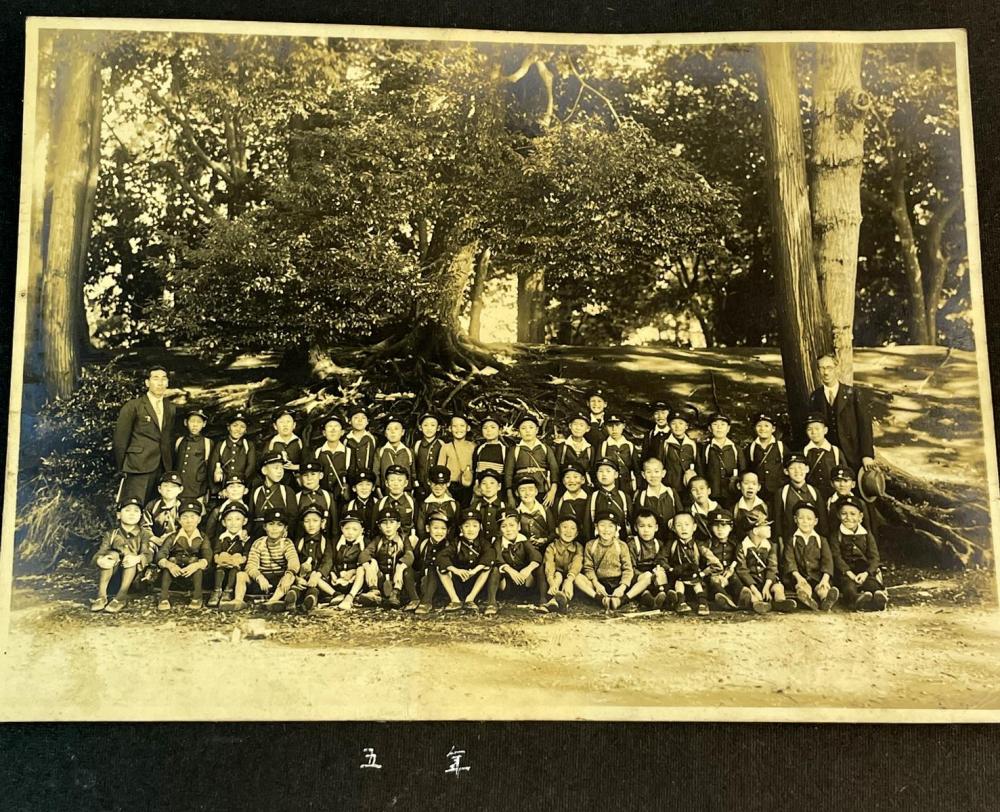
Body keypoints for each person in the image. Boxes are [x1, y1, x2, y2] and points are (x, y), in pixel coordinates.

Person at [112, 364, 177, 505]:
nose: (160, 383)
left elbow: (169, 438)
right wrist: (122, 467)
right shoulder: (133, 406)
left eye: (164, 379)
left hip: (163, 466)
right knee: (135, 506)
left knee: (156, 508)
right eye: (155, 378)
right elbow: (120, 440)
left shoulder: (170, 408)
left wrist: (169, 465)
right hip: (138, 466)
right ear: (147, 383)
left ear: (168, 382)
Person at [220, 508, 300, 611]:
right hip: (262, 580)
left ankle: (272, 601)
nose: (274, 528)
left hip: (279, 580)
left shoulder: (286, 544)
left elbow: (293, 562)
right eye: (271, 524)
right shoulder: (259, 543)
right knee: (241, 575)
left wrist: (289, 574)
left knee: (290, 577)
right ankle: (238, 600)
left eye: (279, 525)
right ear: (265, 526)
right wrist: (259, 577)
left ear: (285, 528)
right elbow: (250, 566)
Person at [809, 353, 877, 474]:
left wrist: (867, 455)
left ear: (836, 368)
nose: (826, 372)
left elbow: (865, 426)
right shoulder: (815, 397)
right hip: (829, 456)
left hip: (853, 454)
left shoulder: (853, 394)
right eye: (822, 368)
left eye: (829, 368)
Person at [90, 496, 155, 613]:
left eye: (136, 511)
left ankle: (121, 597)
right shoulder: (112, 534)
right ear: (119, 515)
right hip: (112, 577)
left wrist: (137, 558)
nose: (132, 514)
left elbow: (148, 554)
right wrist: (100, 560)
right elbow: (99, 553)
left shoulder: (144, 534)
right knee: (111, 554)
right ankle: (101, 596)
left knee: (131, 558)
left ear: (141, 516)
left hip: (134, 579)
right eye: (127, 510)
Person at [829, 496, 888, 611]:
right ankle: (856, 601)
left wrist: (867, 573)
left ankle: (878, 600)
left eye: (853, 514)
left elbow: (874, 557)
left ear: (860, 517)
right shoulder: (836, 535)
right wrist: (849, 573)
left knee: (872, 585)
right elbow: (836, 557)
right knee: (849, 588)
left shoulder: (866, 534)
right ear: (838, 515)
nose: (848, 517)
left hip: (864, 571)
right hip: (846, 574)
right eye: (844, 514)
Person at [734, 508, 797, 613]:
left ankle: (780, 602)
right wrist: (754, 588)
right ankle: (757, 604)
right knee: (751, 594)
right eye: (765, 526)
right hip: (751, 582)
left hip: (767, 580)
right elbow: (742, 570)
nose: (769, 528)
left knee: (778, 588)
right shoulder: (742, 546)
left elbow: (772, 567)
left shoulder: (770, 545)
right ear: (755, 530)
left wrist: (767, 586)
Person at [485, 508, 545, 615]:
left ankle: (543, 600)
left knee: (539, 567)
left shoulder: (524, 540)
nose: (508, 529)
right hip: (508, 584)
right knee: (494, 570)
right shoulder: (498, 543)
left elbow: (536, 556)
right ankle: (491, 602)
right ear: (499, 529)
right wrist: (510, 571)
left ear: (519, 526)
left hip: (525, 581)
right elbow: (497, 558)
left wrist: (528, 569)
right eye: (504, 526)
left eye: (512, 525)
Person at [782, 502, 840, 612]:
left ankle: (825, 600)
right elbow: (790, 561)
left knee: (822, 588)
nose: (805, 522)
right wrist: (798, 577)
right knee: (803, 588)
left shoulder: (821, 540)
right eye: (801, 518)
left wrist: (825, 579)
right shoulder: (792, 540)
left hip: (817, 576)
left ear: (815, 521)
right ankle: (808, 599)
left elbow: (827, 561)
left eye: (809, 519)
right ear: (795, 519)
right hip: (800, 576)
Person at [154, 500, 212, 610]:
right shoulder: (172, 537)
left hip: (193, 575)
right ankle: (164, 597)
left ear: (199, 519)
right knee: (169, 563)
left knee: (197, 565)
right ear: (179, 520)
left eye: (193, 517)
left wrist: (197, 565)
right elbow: (161, 553)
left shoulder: (203, 537)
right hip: (175, 573)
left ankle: (197, 597)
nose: (189, 521)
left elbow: (207, 555)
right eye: (184, 517)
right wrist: (169, 565)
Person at [661, 511, 720, 616]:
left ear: (694, 527)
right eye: (679, 525)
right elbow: (661, 559)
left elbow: (716, 564)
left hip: (696, 580)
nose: (683, 528)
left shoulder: (700, 546)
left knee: (697, 583)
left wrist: (702, 573)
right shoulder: (671, 545)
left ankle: (703, 603)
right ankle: (680, 602)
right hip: (678, 580)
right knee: (678, 583)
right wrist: (671, 569)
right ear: (673, 528)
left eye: (687, 525)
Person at [433, 509, 494, 611]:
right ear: (461, 529)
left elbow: (490, 556)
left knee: (488, 568)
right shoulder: (456, 543)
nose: (471, 529)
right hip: (459, 581)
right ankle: (454, 600)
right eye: (466, 526)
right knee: (441, 567)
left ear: (480, 528)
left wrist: (474, 571)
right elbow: (441, 556)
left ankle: (470, 600)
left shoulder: (483, 543)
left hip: (476, 583)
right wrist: (455, 570)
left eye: (475, 526)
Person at [356, 506, 414, 609]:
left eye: (392, 523)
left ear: (398, 525)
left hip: (397, 579)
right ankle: (374, 592)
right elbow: (364, 554)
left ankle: (396, 593)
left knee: (405, 568)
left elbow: (409, 555)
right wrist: (368, 568)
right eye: (384, 523)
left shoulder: (403, 539)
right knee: (371, 561)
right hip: (382, 579)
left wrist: (400, 567)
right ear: (379, 526)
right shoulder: (378, 540)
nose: (388, 526)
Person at [575, 512, 634, 610]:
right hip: (599, 583)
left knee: (644, 578)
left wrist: (622, 587)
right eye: (602, 525)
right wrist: (596, 584)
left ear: (616, 528)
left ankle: (620, 600)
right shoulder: (591, 545)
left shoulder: (622, 546)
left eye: (611, 526)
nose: (606, 530)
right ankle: (601, 599)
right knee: (577, 578)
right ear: (596, 527)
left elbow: (627, 569)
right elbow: (588, 568)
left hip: (617, 582)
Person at [773, 454, 828, 550]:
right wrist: (781, 543)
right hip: (790, 542)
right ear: (786, 471)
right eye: (792, 468)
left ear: (807, 469)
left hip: (812, 543)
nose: (797, 471)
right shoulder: (782, 492)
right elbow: (778, 520)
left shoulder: (814, 491)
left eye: (800, 467)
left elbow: (822, 519)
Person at [503, 414, 560, 508]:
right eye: (523, 428)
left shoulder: (545, 448)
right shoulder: (515, 450)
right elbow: (508, 473)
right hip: (521, 492)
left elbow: (554, 470)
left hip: (542, 491)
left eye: (531, 427)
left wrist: (552, 491)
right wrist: (510, 496)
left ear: (537, 430)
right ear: (519, 432)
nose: (527, 431)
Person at [287, 505, 335, 612]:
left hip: (318, 578)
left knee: (314, 589)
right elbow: (294, 560)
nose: (311, 525)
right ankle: (291, 598)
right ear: (303, 524)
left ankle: (310, 601)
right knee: (296, 587)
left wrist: (318, 574)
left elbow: (328, 561)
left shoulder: (325, 542)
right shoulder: (299, 542)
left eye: (315, 521)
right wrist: (297, 578)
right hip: (302, 576)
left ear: (322, 522)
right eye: (307, 521)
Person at [208, 502, 251, 608]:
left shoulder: (245, 539)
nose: (233, 523)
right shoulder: (221, 537)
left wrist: (237, 561)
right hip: (222, 564)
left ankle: (228, 590)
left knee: (235, 567)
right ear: (223, 522)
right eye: (229, 519)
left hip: (236, 566)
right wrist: (220, 560)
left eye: (238, 519)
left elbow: (246, 555)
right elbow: (216, 553)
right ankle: (217, 590)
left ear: (244, 521)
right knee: (220, 565)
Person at [624, 509, 668, 609]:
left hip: (653, 573)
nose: (646, 530)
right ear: (635, 527)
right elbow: (630, 567)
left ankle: (662, 596)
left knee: (660, 573)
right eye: (642, 526)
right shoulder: (633, 544)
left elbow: (661, 561)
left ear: (656, 528)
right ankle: (644, 597)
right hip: (638, 575)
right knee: (647, 576)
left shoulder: (659, 543)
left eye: (650, 526)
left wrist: (658, 570)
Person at [207, 411, 256, 497]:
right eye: (235, 425)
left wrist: (243, 487)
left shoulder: (248, 445)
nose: (238, 429)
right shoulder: (221, 445)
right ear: (228, 427)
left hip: (241, 489)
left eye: (242, 427)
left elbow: (251, 467)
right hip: (224, 488)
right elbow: (212, 467)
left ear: (246, 430)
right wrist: (217, 491)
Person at [541, 516, 585, 613]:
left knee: (571, 580)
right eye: (565, 527)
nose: (568, 531)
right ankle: (554, 599)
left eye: (573, 528)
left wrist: (569, 580)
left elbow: (577, 564)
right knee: (558, 575)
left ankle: (563, 600)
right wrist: (552, 583)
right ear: (557, 530)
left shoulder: (578, 547)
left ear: (577, 533)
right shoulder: (552, 547)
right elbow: (549, 565)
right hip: (556, 577)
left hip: (571, 577)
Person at [632, 457, 681, 542]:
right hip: (651, 541)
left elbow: (681, 513)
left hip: (672, 538)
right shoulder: (642, 496)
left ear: (663, 473)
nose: (653, 475)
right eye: (649, 472)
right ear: (643, 475)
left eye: (656, 471)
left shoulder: (671, 492)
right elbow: (638, 519)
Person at [329, 510, 370, 611]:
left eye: (355, 529)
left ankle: (350, 597)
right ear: (342, 529)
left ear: (362, 530)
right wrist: (333, 573)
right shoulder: (336, 542)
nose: (350, 532)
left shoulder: (365, 543)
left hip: (355, 579)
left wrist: (353, 571)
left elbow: (366, 561)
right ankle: (336, 595)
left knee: (362, 569)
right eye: (347, 528)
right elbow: (330, 559)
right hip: (338, 578)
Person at [701, 413, 744, 509]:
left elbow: (743, 470)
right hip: (712, 493)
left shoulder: (736, 449)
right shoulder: (706, 449)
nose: (719, 428)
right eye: (715, 425)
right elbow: (701, 471)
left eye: (723, 425)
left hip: (732, 494)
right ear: (710, 428)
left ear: (728, 428)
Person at [311, 414, 354, 507]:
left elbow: (351, 476)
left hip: (341, 499)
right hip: (322, 497)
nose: (333, 429)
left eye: (336, 426)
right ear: (324, 433)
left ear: (342, 432)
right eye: (329, 426)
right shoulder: (318, 452)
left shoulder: (349, 452)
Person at [702, 508, 741, 610]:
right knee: (715, 581)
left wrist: (731, 570)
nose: (720, 529)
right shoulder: (708, 544)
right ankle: (725, 599)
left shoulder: (734, 543)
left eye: (724, 525)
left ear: (731, 527)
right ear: (711, 528)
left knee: (736, 579)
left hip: (729, 573)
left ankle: (742, 598)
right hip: (714, 574)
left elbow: (737, 559)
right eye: (716, 525)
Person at [745, 412, 787, 500]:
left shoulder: (781, 447)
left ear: (773, 429)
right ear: (755, 428)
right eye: (759, 426)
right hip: (758, 493)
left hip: (778, 491)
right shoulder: (750, 448)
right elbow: (747, 470)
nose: (762, 429)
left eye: (766, 426)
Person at [803, 412, 843, 504]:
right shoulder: (804, 452)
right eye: (809, 429)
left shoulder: (835, 451)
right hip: (811, 497)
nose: (814, 432)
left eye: (817, 428)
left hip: (832, 496)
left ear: (825, 430)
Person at [587, 457, 632, 540]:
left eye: (608, 471)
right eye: (600, 471)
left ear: (616, 474)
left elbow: (630, 523)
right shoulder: (593, 497)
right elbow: (587, 525)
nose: (604, 474)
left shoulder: (624, 497)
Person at [174, 409, 213, 502]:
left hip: (197, 489)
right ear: (185, 422)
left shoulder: (207, 442)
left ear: (204, 424)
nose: (195, 425)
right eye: (192, 421)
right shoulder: (180, 441)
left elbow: (210, 467)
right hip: (179, 488)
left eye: (199, 422)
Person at [661, 409, 702, 499]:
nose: (677, 427)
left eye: (681, 423)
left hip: (688, 485)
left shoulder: (692, 444)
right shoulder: (665, 443)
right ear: (669, 426)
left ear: (686, 426)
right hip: (670, 485)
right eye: (673, 423)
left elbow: (698, 465)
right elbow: (660, 463)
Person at [438, 414, 476, 507]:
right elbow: (440, 468)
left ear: (468, 428)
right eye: (455, 426)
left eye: (462, 426)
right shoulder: (446, 447)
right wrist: (444, 489)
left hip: (468, 486)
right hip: (451, 486)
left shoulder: (473, 446)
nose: (459, 429)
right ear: (450, 429)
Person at [262, 408, 305, 488]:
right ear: (275, 426)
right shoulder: (271, 444)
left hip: (297, 482)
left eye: (288, 421)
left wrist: (295, 467)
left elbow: (308, 462)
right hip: (277, 482)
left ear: (294, 425)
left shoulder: (300, 442)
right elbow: (263, 464)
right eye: (281, 422)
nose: (285, 425)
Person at [415, 465, 459, 539]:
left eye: (442, 484)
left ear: (448, 483)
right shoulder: (424, 505)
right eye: (435, 483)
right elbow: (421, 529)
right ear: (429, 482)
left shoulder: (454, 504)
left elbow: (456, 527)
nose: (438, 487)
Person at [598, 414, 636, 495]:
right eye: (610, 426)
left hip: (627, 488)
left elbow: (637, 470)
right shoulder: (603, 446)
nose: (614, 429)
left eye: (618, 425)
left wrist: (637, 488)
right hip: (609, 488)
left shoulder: (629, 445)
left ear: (623, 426)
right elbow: (597, 469)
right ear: (606, 427)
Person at [376, 418, 415, 492]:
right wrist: (379, 492)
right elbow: (376, 472)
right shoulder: (380, 451)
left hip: (405, 492)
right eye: (389, 429)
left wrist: (411, 491)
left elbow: (413, 474)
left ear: (403, 432)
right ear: (385, 433)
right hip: (386, 492)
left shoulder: (408, 451)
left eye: (396, 429)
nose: (392, 432)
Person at [412, 412, 444, 504]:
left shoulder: (441, 444)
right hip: (421, 486)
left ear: (438, 428)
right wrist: (416, 484)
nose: (429, 428)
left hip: (437, 485)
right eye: (425, 425)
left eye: (433, 425)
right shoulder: (418, 445)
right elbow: (414, 466)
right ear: (420, 427)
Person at [345, 406, 378, 476]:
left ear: (367, 422)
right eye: (356, 417)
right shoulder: (345, 439)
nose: (360, 420)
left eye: (363, 418)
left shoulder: (373, 439)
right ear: (349, 421)